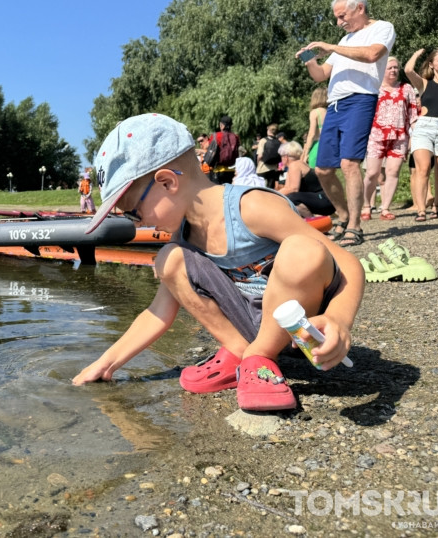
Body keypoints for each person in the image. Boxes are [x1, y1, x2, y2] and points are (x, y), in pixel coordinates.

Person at [73, 113, 363, 413]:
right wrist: (105, 365)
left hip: (304, 333)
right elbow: (157, 312)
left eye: (133, 212)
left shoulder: (252, 207)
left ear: (167, 182)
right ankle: (242, 353)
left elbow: (348, 264)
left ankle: (259, 357)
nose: (139, 222)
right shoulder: (182, 236)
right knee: (169, 260)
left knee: (303, 250)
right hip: (251, 324)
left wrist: (339, 321)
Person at [297, 0, 396, 247]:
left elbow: (373, 54)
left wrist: (329, 46)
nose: (340, 22)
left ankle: (355, 225)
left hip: (360, 99)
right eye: (337, 18)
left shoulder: (382, 28)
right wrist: (309, 58)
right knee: (323, 169)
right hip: (335, 105)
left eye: (343, 16)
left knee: (350, 163)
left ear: (360, 8)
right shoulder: (345, 42)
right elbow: (321, 76)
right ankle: (343, 216)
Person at [361, 56, 418, 221]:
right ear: (381, 70)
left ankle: (385, 208)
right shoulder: (373, 88)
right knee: (372, 173)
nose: (393, 70)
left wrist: (414, 137)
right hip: (376, 136)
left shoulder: (406, 88)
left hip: (399, 137)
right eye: (389, 68)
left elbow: (412, 115)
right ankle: (366, 206)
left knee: (393, 172)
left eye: (395, 67)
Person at [404, 47, 438, 221]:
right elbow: (408, 70)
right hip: (425, 127)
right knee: (422, 168)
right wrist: (417, 54)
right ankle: (421, 210)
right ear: (432, 64)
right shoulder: (424, 83)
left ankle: (437, 205)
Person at [276, 141, 336, 218]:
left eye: (281, 156)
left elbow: (293, 189)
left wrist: (273, 195)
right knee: (288, 197)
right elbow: (287, 188)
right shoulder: (299, 163)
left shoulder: (294, 165)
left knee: (292, 198)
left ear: (286, 157)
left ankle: (312, 223)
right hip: (325, 199)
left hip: (324, 200)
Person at [205, 115, 240, 184]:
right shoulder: (236, 137)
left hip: (218, 170)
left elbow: (209, 148)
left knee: (218, 193)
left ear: (222, 125)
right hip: (231, 170)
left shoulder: (215, 136)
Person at [303, 87, 328, 168]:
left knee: (314, 174)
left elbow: (312, 134)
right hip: (329, 144)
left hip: (317, 145)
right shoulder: (329, 111)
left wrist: (306, 153)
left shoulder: (315, 112)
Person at [256, 124, 282, 188]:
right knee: (270, 189)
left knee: (260, 189)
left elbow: (260, 156)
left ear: (269, 131)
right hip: (274, 169)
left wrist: (257, 164)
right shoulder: (279, 142)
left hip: (262, 168)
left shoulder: (263, 140)